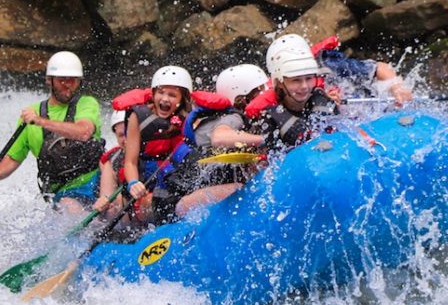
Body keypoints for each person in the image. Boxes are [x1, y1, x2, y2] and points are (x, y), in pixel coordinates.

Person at [0, 51, 105, 214]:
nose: (67, 84)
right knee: (70, 206)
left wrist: (40, 121)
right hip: (64, 193)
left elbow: (84, 132)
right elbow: (13, 158)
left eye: (72, 80)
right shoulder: (31, 115)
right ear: (49, 80)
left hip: (99, 181)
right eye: (61, 79)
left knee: (117, 201)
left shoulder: (86, 103)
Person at [156, 64, 269, 219]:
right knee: (242, 189)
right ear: (241, 99)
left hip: (180, 195)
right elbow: (219, 138)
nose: (265, 96)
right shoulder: (233, 119)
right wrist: (264, 140)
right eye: (259, 92)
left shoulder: (232, 119)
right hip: (173, 201)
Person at [119, 65, 193, 223]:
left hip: (175, 182)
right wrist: (133, 183)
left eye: (172, 95)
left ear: (182, 99)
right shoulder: (138, 117)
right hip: (145, 186)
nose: (165, 99)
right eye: (160, 92)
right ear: (153, 94)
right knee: (161, 203)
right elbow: (130, 161)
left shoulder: (191, 118)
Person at [246, 35, 343, 152]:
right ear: (279, 82)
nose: (304, 86)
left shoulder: (322, 99)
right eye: (296, 80)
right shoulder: (269, 118)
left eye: (309, 78)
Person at [92, 110, 128, 219]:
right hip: (125, 216)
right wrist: (103, 202)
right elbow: (106, 195)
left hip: (147, 206)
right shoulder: (111, 160)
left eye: (129, 133)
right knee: (115, 202)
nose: (126, 139)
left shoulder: (153, 153)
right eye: (121, 135)